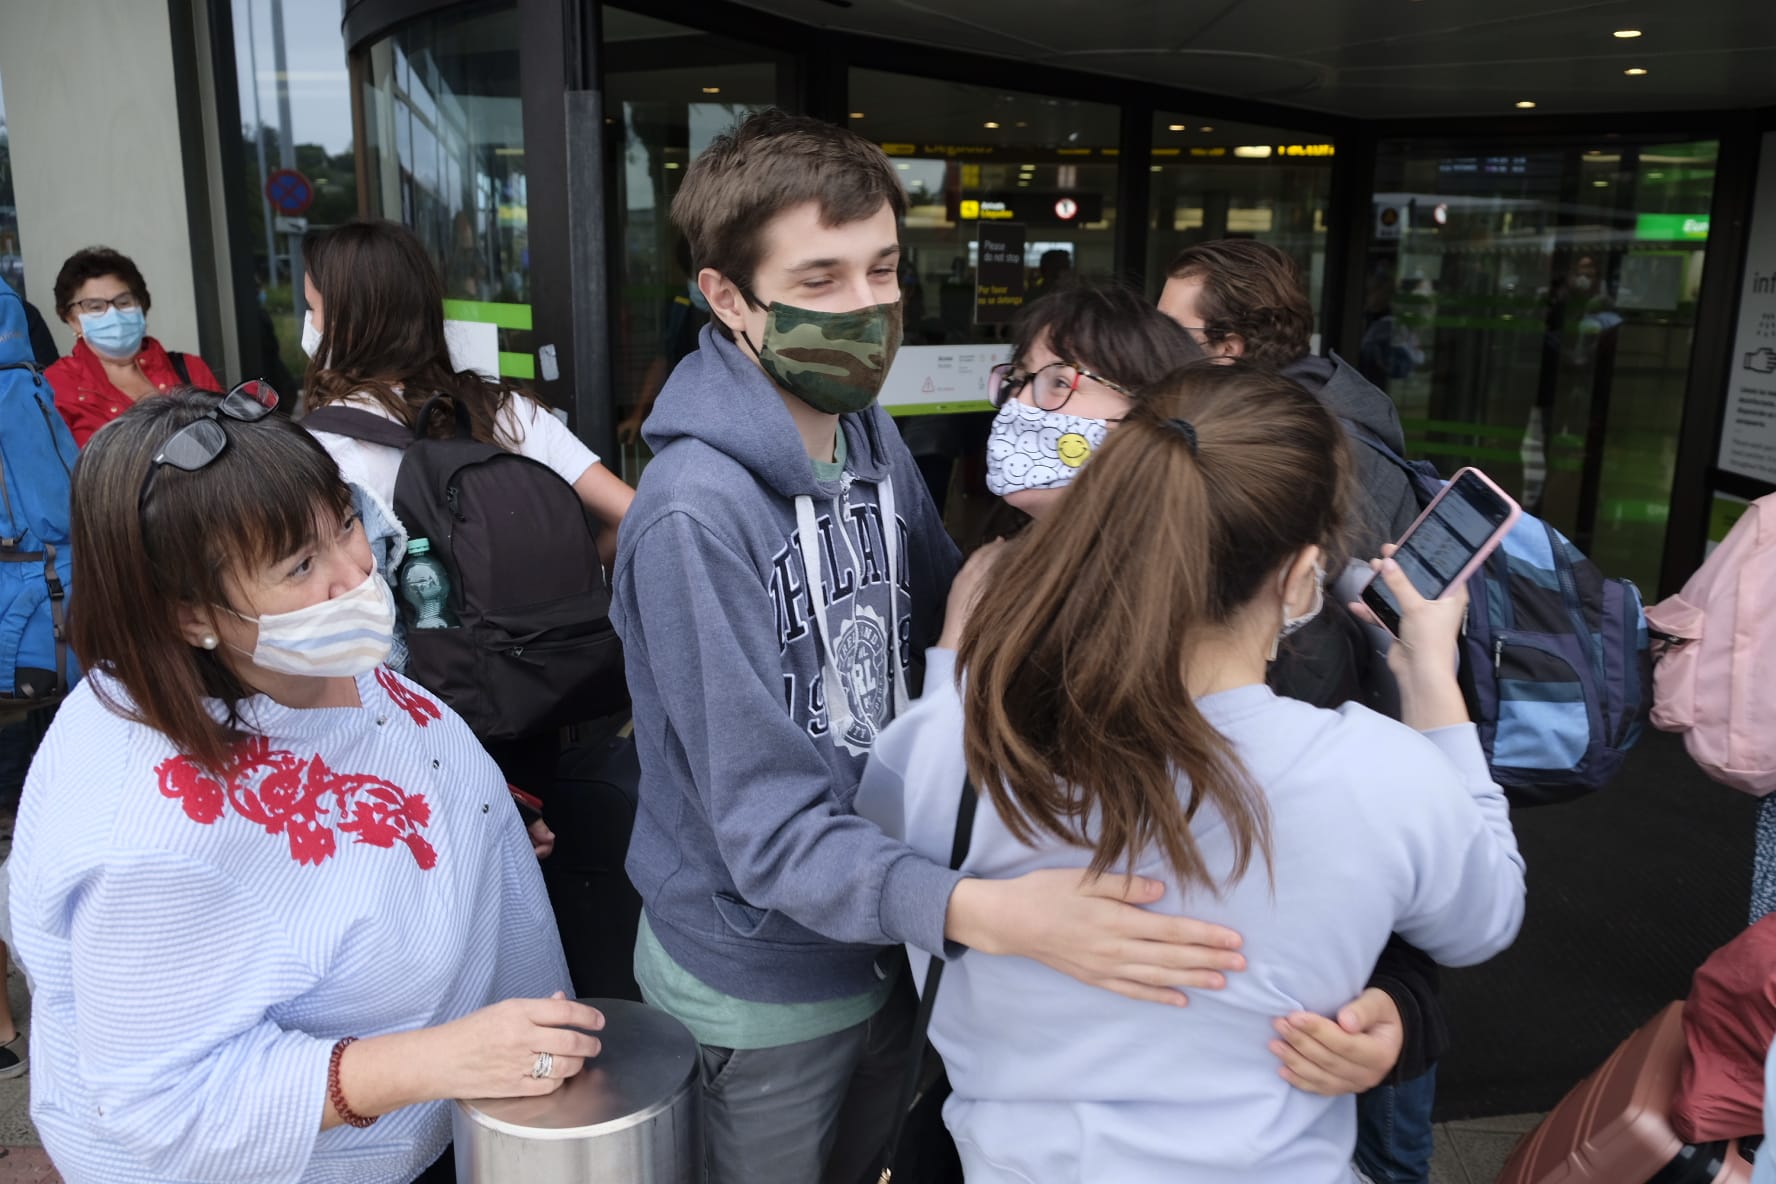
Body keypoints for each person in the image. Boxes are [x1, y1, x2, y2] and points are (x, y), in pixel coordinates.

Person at [614, 109, 1247, 1184]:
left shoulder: (861, 428)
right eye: (819, 280)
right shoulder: (692, 517)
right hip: (762, 972)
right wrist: (997, 914)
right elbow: (766, 831)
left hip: (895, 929)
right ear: (727, 297)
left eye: (884, 269)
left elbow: (952, 599)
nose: (868, 308)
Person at [858, 361, 1527, 1183]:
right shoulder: (1383, 774)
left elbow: (880, 881)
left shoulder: (945, 747)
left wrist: (951, 674)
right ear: (1297, 574)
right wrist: (1428, 673)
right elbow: (1484, 918)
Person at [7, 387, 602, 1183]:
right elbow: (167, 1104)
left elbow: (367, 766)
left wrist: (471, 826)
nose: (356, 573)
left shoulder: (285, 653)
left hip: (459, 1110)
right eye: (300, 564)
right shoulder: (149, 840)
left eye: (346, 522)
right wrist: (431, 1061)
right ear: (189, 616)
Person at [1160, 239, 1446, 1183]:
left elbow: (1312, 659)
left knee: (1362, 1057)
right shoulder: (1339, 410)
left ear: (1232, 345)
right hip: (1350, 801)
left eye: (1174, 331)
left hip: (1332, 815)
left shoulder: (1298, 454)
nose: (1155, 349)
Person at [298, 220, 634, 566]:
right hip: (546, 621)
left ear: (351, 323)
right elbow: (631, 515)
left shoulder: (328, 448)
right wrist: (576, 587)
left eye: (314, 308)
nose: (310, 323)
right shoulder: (511, 411)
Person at [44, 247, 221, 447]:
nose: (113, 314)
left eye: (124, 302)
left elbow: (229, 440)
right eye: (95, 307)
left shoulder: (190, 368)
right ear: (72, 319)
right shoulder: (55, 385)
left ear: (142, 305)